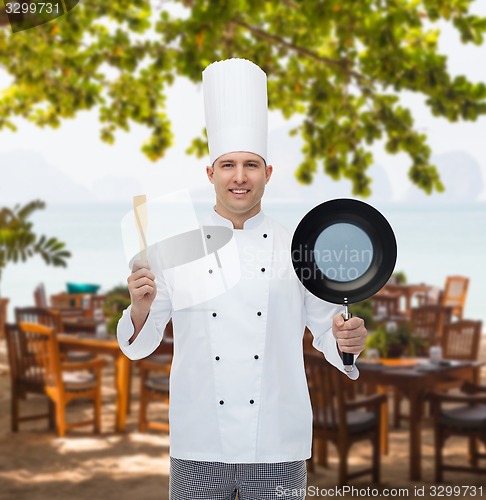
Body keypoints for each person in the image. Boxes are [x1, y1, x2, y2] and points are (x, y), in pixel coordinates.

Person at [117, 58, 367, 500]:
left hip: (277, 440)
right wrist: (138, 308)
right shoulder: (174, 247)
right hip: (198, 441)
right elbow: (140, 345)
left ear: (267, 174)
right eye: (228, 164)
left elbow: (329, 332)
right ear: (210, 174)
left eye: (251, 165)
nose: (239, 176)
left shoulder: (301, 244)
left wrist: (347, 342)